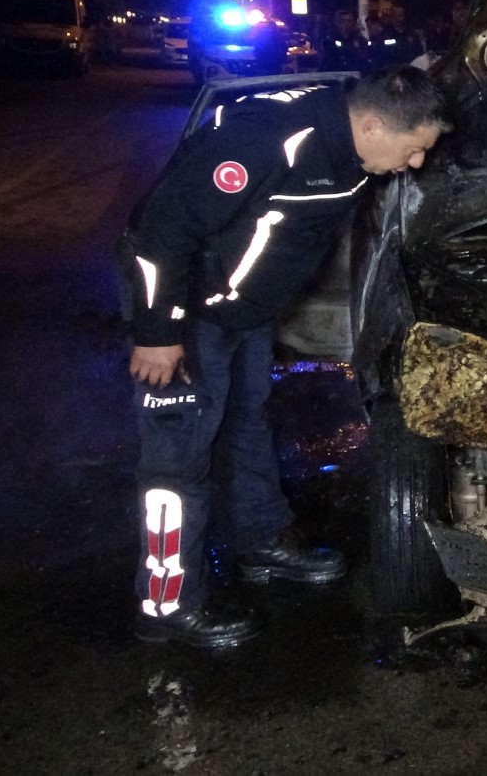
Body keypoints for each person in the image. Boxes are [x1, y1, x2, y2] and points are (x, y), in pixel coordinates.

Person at [122, 66, 447, 648]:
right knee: (178, 459)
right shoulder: (267, 139)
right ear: (373, 126)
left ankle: (261, 542)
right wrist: (155, 333)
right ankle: (167, 603)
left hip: (245, 312)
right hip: (186, 311)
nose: (416, 163)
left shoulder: (353, 146)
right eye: (414, 149)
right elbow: (160, 230)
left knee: (249, 422)